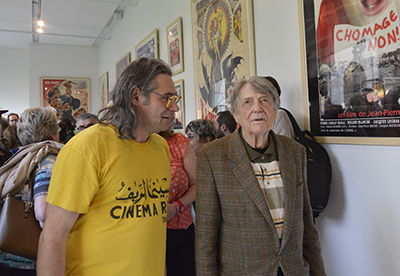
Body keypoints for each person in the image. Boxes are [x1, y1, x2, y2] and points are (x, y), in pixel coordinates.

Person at [37, 57, 180, 276]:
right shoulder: (88, 147)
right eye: (167, 99)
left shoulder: (160, 147)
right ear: (136, 96)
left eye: (175, 99)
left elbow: (152, 230)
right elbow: (53, 235)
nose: (175, 107)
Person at [195, 76, 326, 276]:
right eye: (247, 102)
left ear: (275, 112)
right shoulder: (212, 156)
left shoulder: (295, 151)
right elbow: (206, 238)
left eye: (265, 100)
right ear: (236, 115)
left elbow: (306, 223)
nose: (257, 108)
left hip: (293, 270)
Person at [0, 107, 62, 276]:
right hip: (28, 260)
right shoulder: (48, 158)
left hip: (9, 253)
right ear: (52, 133)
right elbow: (43, 212)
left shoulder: (22, 155)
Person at [159, 128, 196, 276]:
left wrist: (177, 206)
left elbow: (196, 184)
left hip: (179, 229)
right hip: (145, 232)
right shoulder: (130, 143)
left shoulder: (178, 142)